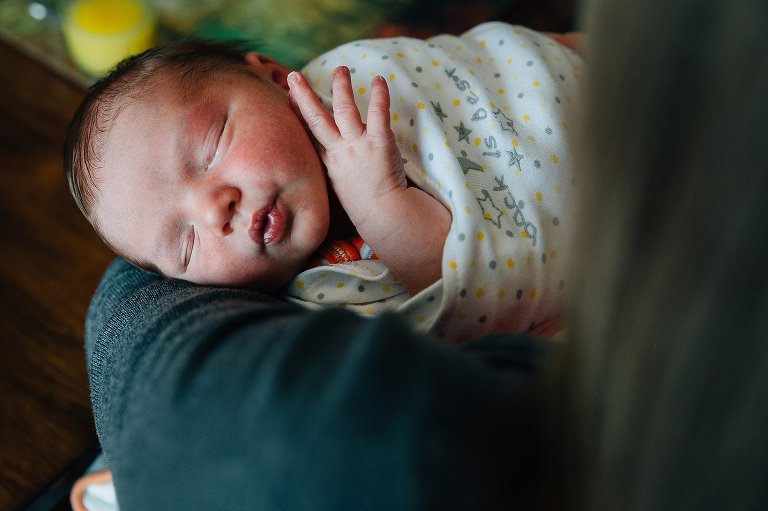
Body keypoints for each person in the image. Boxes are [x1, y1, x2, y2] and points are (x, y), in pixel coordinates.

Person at [64, 22, 584, 341]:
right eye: (186, 243)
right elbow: (471, 296)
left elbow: (471, 61)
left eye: (211, 145)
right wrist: (380, 201)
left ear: (275, 79)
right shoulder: (322, 301)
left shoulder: (347, 79)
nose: (213, 210)